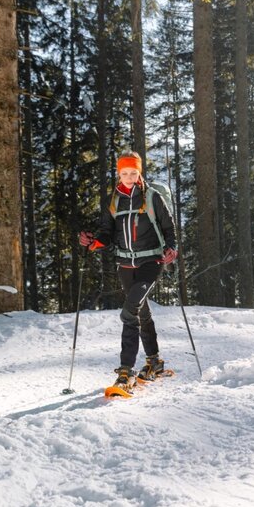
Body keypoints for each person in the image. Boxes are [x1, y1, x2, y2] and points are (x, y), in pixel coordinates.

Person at [78, 151, 178, 392]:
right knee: (141, 312)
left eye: (133, 172)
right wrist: (94, 241)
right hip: (125, 265)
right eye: (125, 173)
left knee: (130, 311)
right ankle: (154, 362)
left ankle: (126, 372)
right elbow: (106, 232)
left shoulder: (152, 197)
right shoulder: (114, 200)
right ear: (118, 174)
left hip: (150, 262)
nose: (130, 177)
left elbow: (168, 226)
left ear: (139, 172)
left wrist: (171, 248)